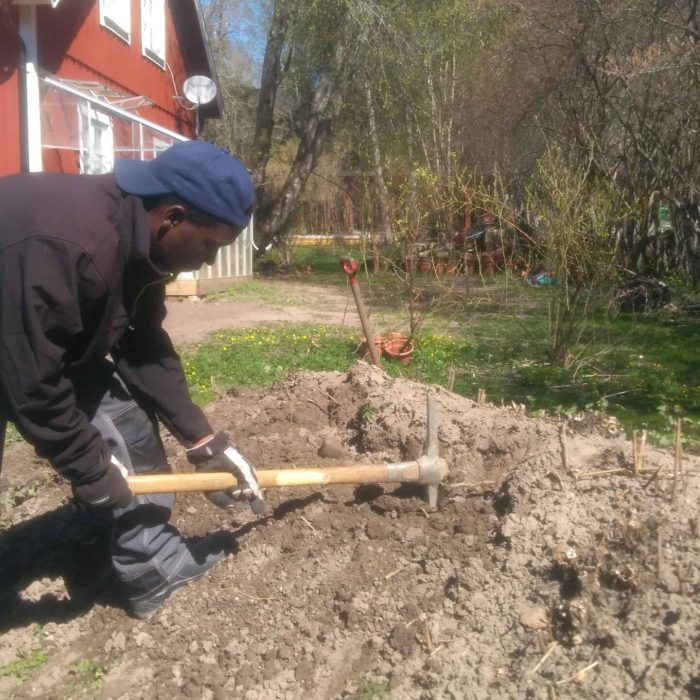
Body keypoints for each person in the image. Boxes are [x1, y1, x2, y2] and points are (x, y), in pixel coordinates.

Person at [0, 140, 262, 618]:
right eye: (210, 245)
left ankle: (153, 569)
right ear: (174, 216)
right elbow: (29, 383)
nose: (208, 262)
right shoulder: (67, 245)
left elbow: (142, 345)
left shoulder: (140, 246)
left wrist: (203, 440)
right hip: (18, 345)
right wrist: (92, 470)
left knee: (128, 425)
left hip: (34, 346)